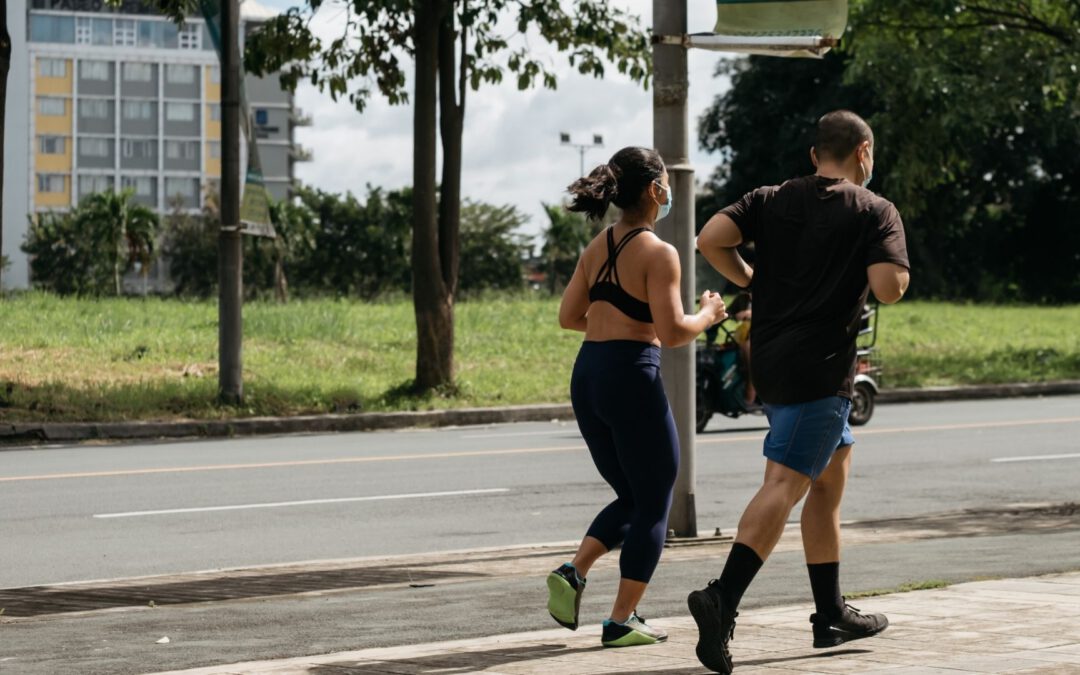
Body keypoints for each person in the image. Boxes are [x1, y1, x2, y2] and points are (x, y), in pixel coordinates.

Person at [689, 111, 911, 673]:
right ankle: (723, 597)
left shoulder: (770, 197)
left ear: (816, 156)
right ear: (864, 153)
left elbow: (710, 239)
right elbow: (889, 288)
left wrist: (748, 278)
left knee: (831, 475)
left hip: (772, 360)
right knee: (787, 483)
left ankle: (830, 610)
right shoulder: (875, 210)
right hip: (822, 368)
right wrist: (889, 267)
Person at [548, 146, 727, 648]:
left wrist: (612, 328)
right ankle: (622, 619)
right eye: (667, 183)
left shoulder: (598, 245)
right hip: (630, 374)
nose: (670, 192)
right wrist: (709, 313)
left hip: (588, 373)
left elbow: (568, 317)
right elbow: (672, 333)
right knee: (655, 499)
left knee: (633, 495)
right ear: (654, 190)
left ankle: (574, 571)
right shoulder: (659, 252)